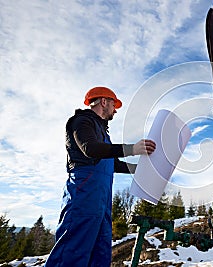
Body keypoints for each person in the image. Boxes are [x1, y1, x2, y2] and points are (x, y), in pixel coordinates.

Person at [45, 86, 156, 266]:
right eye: (114, 105)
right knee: (73, 252)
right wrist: (132, 149)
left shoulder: (104, 134)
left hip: (102, 204)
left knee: (100, 255)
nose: (116, 110)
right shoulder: (81, 122)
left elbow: (112, 163)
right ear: (103, 101)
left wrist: (142, 169)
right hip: (83, 198)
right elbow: (91, 149)